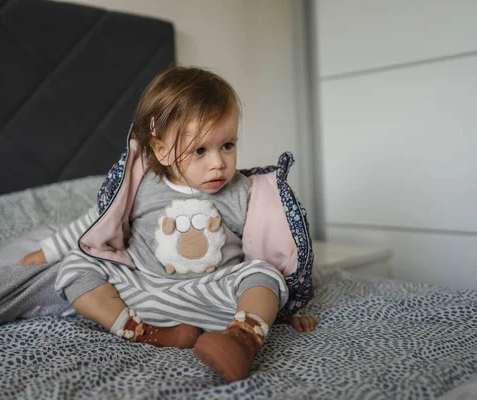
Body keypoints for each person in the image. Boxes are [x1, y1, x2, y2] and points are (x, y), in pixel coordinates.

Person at [19, 66, 317, 382]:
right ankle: (143, 332)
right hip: (143, 291)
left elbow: (274, 248)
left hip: (213, 297)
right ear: (161, 150)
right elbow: (95, 222)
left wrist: (286, 311)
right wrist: (44, 253)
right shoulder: (141, 185)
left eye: (227, 145)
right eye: (200, 150)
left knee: (263, 274)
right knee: (76, 266)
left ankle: (243, 340)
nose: (218, 162)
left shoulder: (242, 191)